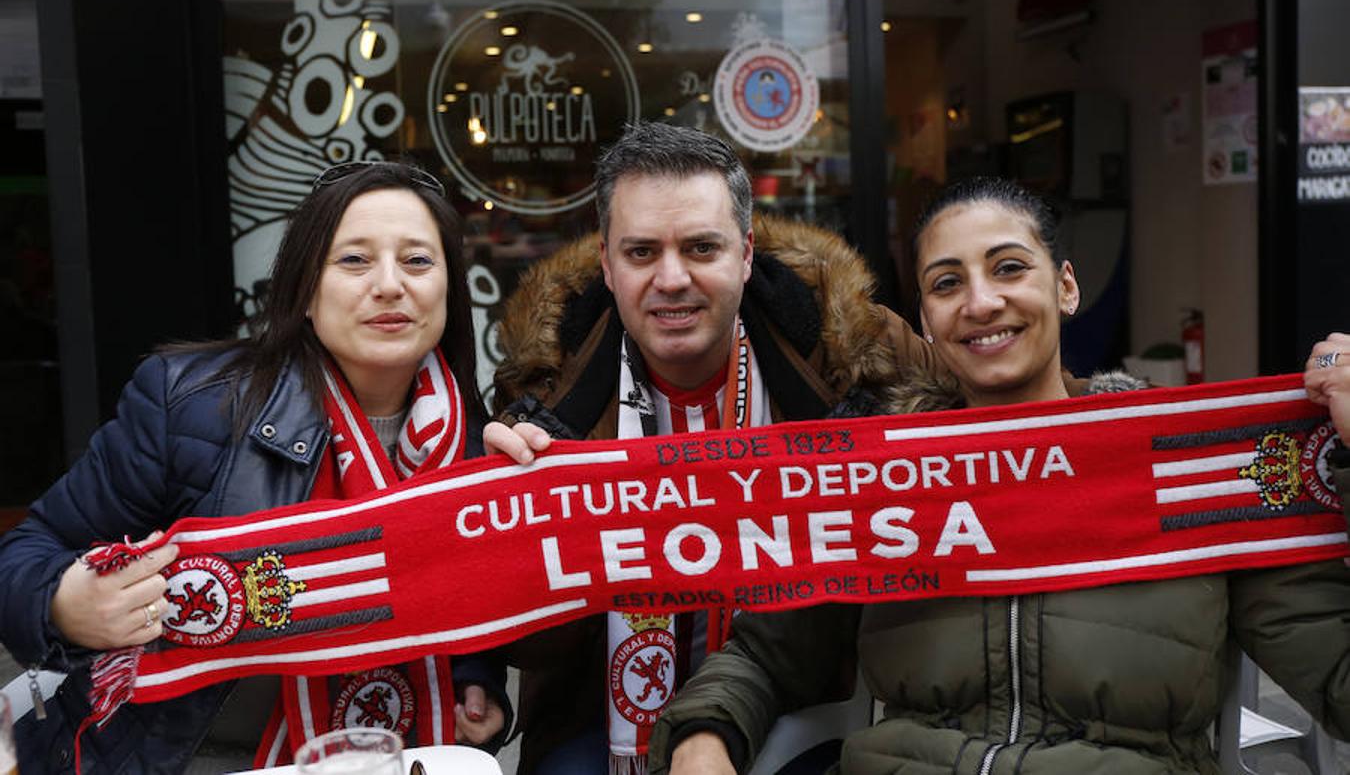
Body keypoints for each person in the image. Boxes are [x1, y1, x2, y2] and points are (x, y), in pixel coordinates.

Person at [648, 176, 1350, 775]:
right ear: (926, 319)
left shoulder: (1198, 468)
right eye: (947, 283)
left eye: (1009, 268)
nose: (980, 303)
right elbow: (768, 656)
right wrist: (703, 739)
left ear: (1066, 285)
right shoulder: (886, 477)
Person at [0, 162, 510, 773]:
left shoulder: (479, 446)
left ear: (450, 288)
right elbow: (28, 552)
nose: (390, 285)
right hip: (196, 757)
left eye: (418, 261)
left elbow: (470, 605)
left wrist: (477, 679)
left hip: (397, 756)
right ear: (304, 287)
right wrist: (61, 604)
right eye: (354, 260)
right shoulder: (193, 406)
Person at [484, 121, 939, 774]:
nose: (672, 279)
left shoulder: (857, 354)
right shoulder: (543, 391)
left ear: (747, 254)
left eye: (702, 248)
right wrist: (522, 530)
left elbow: (1007, 420)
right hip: (601, 725)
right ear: (607, 265)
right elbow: (530, 647)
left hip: (803, 706)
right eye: (642, 253)